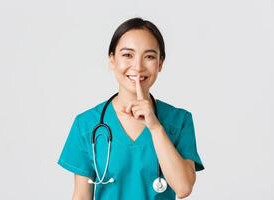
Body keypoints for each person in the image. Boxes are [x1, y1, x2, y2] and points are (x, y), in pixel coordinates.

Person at [57, 17, 204, 200]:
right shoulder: (86, 124)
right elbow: (81, 196)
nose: (138, 66)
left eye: (149, 57)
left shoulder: (179, 120)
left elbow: (183, 188)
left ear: (160, 64)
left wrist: (155, 127)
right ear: (112, 60)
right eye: (127, 55)